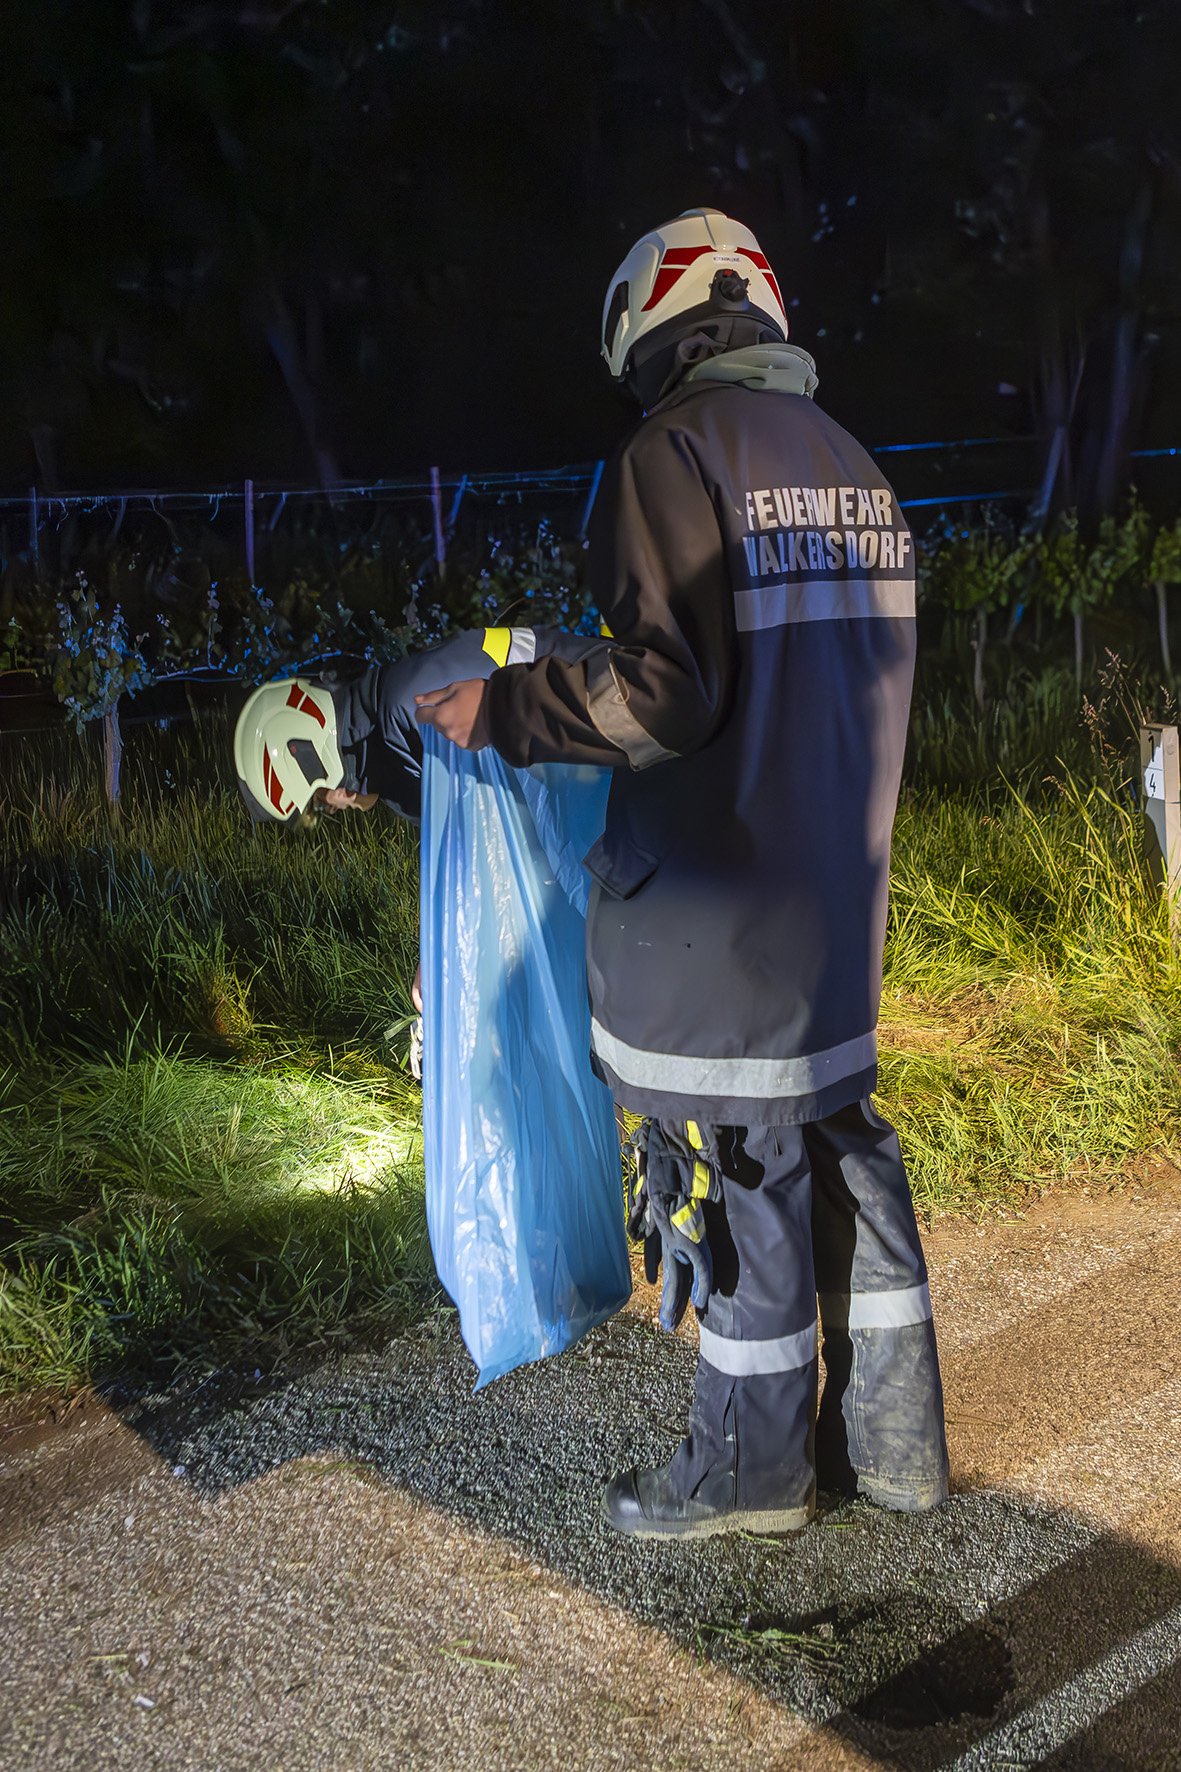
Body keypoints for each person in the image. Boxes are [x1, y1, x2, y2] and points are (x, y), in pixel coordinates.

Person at [412, 207, 949, 1539]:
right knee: (841, 1152)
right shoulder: (853, 467)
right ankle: (893, 1450)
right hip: (835, 902)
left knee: (735, 1178)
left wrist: (508, 708)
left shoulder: (674, 453)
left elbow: (665, 694)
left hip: (718, 913)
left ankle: (750, 1476)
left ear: (651, 329)